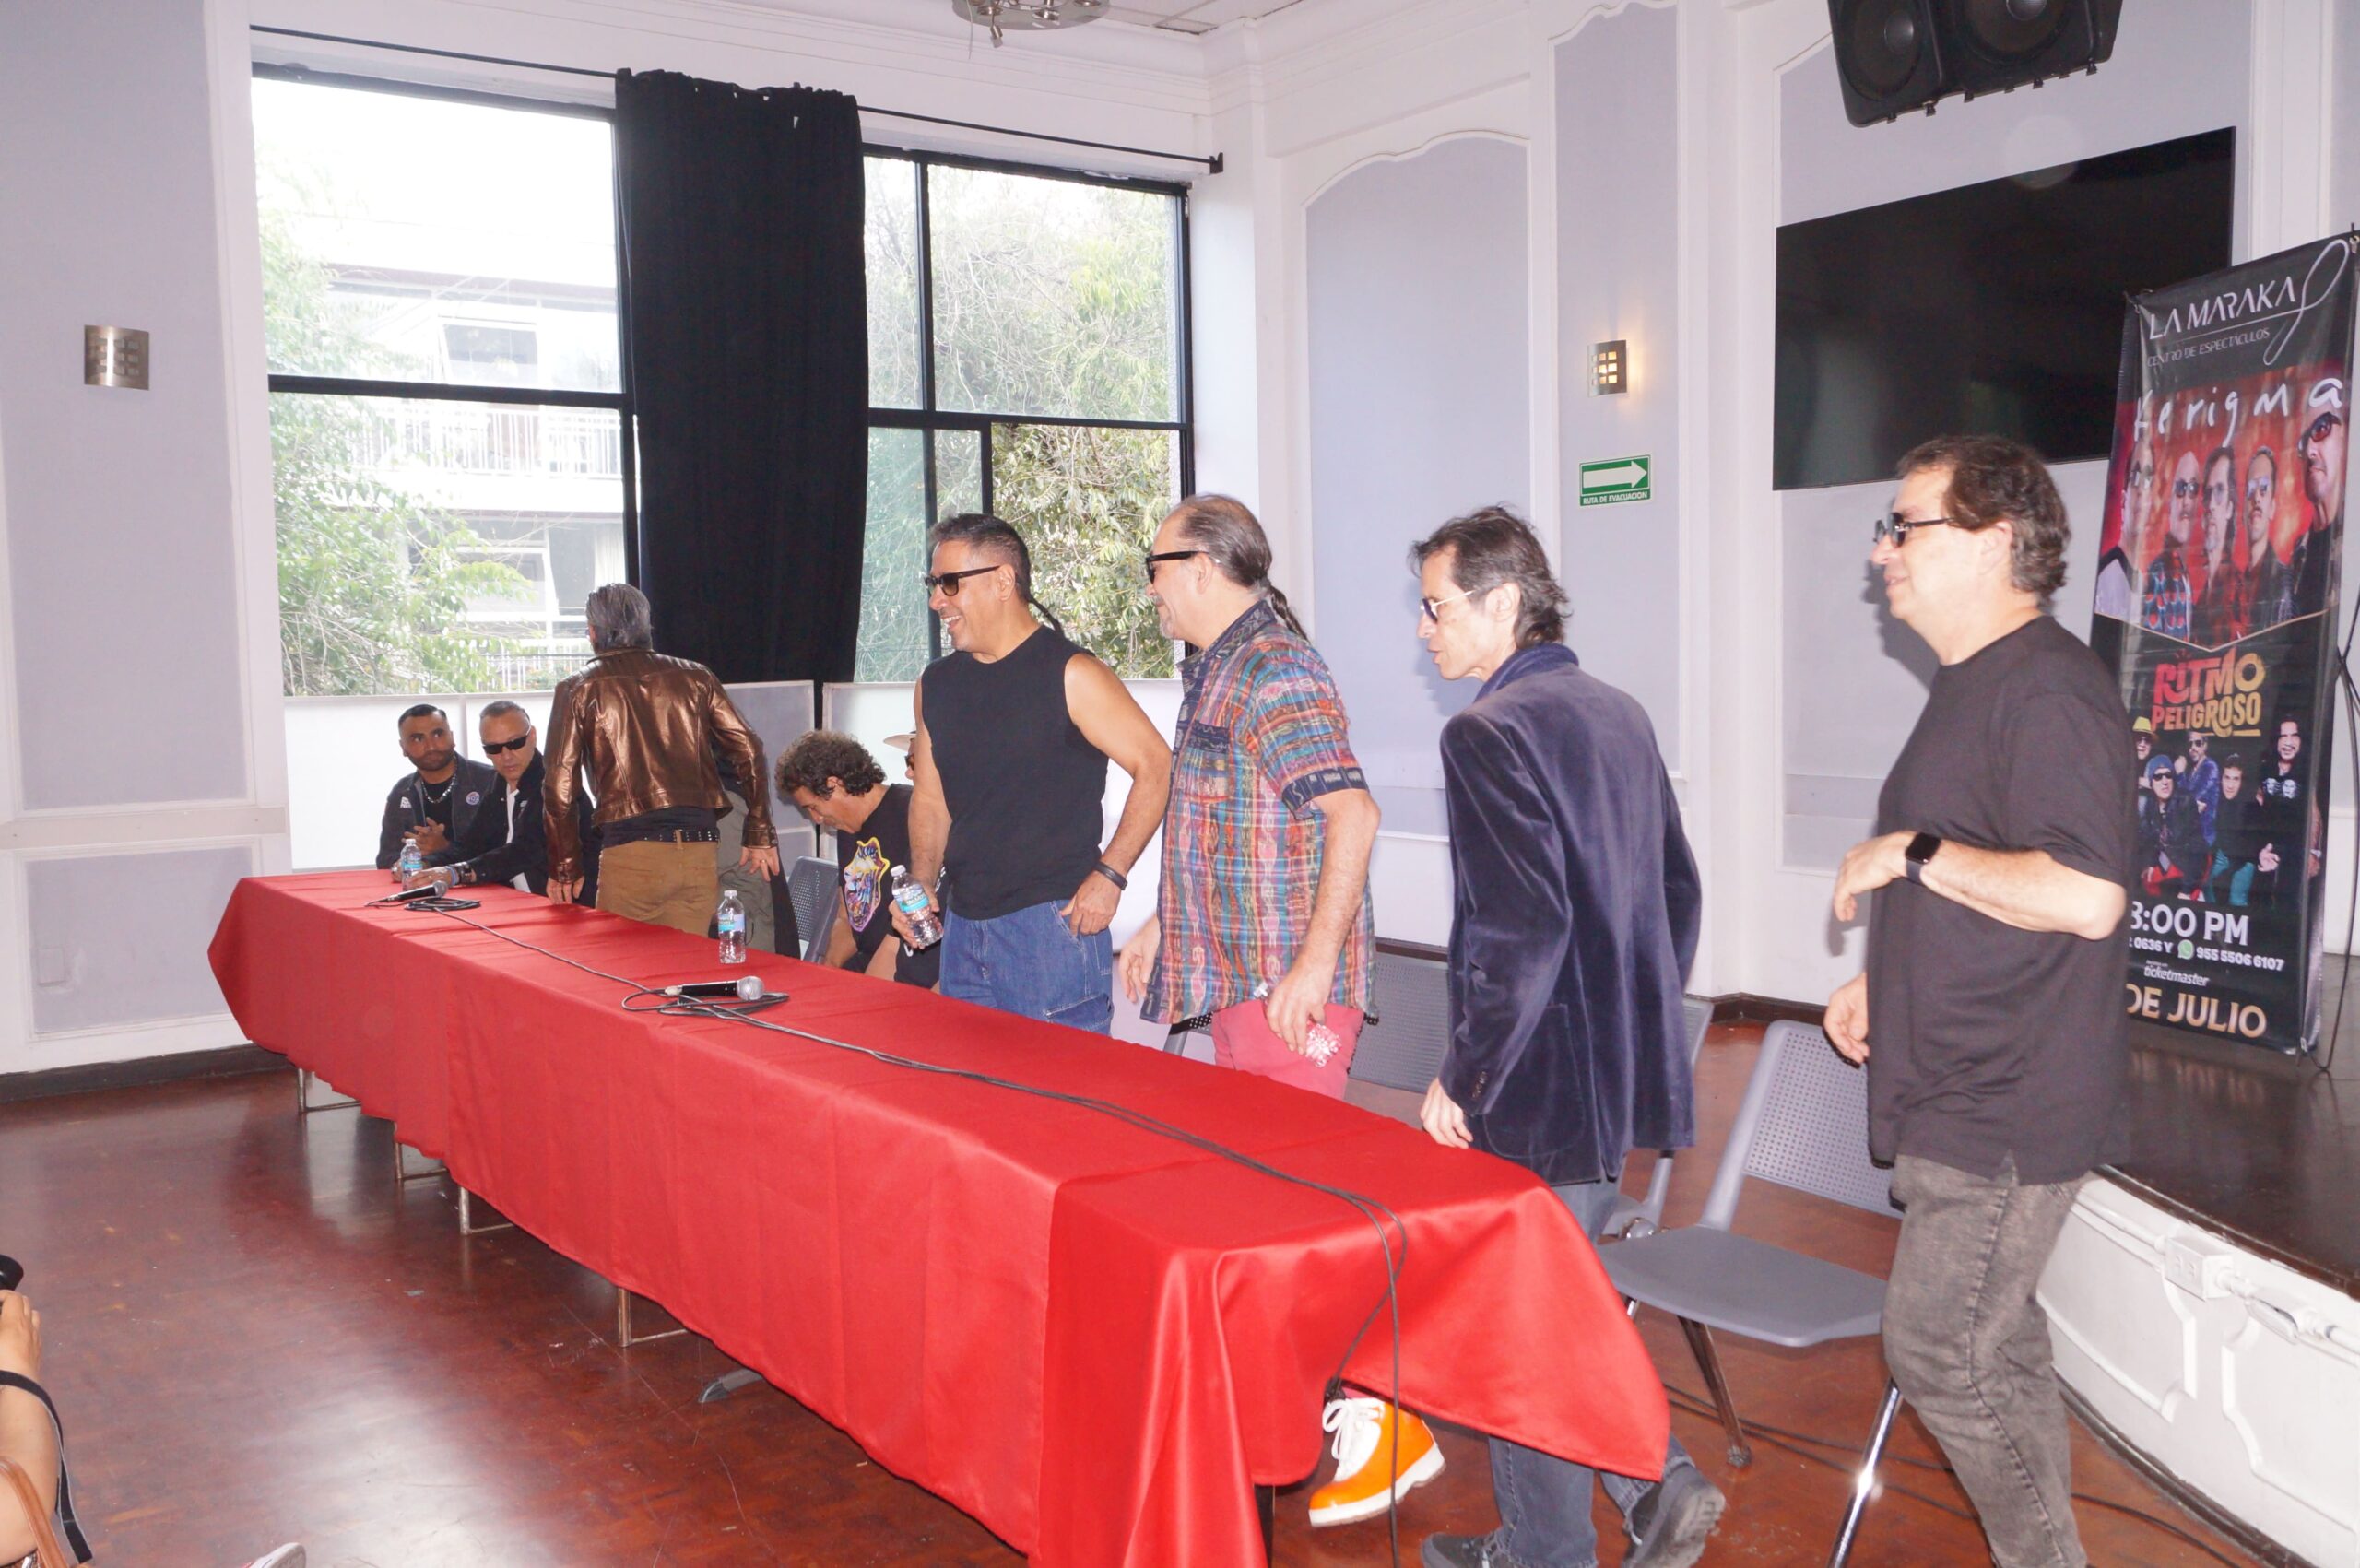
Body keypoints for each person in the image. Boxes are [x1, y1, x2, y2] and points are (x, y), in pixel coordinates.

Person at [1825, 435, 2130, 1568]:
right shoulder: (1974, 682)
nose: (1882, 551)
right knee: (1990, 1350)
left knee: (1940, 1353)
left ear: (1996, 541)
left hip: (2007, 1098)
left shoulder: (2048, 691)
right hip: (1961, 1073)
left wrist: (1907, 851)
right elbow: (1991, 870)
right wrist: (1883, 976)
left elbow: (2085, 895)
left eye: (1905, 527)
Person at [1407, 507, 1721, 1568]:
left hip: (1533, 1082)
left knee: (1523, 1319)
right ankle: (1590, 1517)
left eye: (1436, 608)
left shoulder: (1485, 732)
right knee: (1544, 1308)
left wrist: (1466, 1071)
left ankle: (1626, 1498)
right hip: (1610, 1078)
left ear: (1502, 602)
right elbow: (1678, 895)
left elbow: (1522, 929)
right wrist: (1632, 1020)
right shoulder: (1615, 710)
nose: (1423, 630)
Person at [1109, 497, 1412, 1527]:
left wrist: (1315, 966)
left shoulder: (1274, 667)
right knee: (1259, 1205)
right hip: (1238, 984)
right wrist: (1163, 919)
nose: (1149, 587)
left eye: (1155, 565)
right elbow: (1221, 822)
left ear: (1202, 565)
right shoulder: (1218, 665)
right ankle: (1290, 1398)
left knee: (1307, 1213)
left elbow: (1352, 814)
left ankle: (1384, 1413)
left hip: (1287, 997)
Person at [898, 513, 1172, 1032]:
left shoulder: (1072, 673)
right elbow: (931, 801)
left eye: (950, 583)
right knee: (971, 1081)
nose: (936, 601)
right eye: (932, 585)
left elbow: (1156, 765)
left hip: (1052, 927)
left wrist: (1110, 876)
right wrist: (921, 884)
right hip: (962, 924)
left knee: (1060, 1083)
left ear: (1004, 581)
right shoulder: (935, 684)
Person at [543, 583, 779, 937]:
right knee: (683, 968)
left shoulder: (578, 687)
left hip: (632, 853)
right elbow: (749, 747)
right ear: (646, 626)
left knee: (624, 969)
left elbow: (559, 787)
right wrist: (758, 831)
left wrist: (565, 866)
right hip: (699, 850)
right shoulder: (696, 676)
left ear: (592, 632)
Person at [777, 730, 940, 989]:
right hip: (865, 967)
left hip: (904, 974)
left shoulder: (911, 814)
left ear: (834, 784)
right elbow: (848, 918)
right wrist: (824, 973)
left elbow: (900, 938)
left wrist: (863, 991)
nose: (816, 819)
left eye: (813, 807)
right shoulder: (847, 828)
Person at [427, 701, 596, 900]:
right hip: (516, 901)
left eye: (515, 743)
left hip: (567, 904)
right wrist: (427, 864)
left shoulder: (555, 784)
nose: (506, 756)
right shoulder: (498, 785)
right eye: (494, 748)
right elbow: (472, 844)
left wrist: (456, 873)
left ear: (532, 736)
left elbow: (525, 851)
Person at [373, 704, 500, 875]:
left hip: (487, 887)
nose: (431, 746)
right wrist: (409, 861)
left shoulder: (490, 781)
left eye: (438, 734)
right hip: (420, 888)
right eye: (418, 739)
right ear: (403, 747)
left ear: (452, 737)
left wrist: (445, 849)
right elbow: (385, 859)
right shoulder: (402, 792)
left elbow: (507, 852)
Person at [2094, 434, 2154, 622]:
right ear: (2123, 500)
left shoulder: (2144, 580)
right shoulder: (2107, 575)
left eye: (2147, 479)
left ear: (2151, 503)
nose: (2140, 490)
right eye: (2135, 477)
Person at [2189, 446, 2246, 646]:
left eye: (2220, 491)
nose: (2212, 504)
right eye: (2208, 493)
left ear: (2230, 508)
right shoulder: (2200, 599)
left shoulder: (2239, 592)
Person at [2141, 450, 2197, 640]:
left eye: (2193, 489)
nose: (2186, 500)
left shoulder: (2185, 575)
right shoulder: (2160, 573)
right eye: (2180, 488)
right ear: (2169, 503)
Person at [2138, 758, 2208, 901]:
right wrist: (2151, 863)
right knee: (2148, 884)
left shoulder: (2185, 801)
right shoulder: (2151, 804)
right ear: (2151, 783)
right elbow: (2154, 839)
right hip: (2169, 860)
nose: (2164, 781)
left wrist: (2186, 890)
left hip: (2189, 866)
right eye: (2158, 777)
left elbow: (2197, 849)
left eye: (2168, 775)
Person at [2240, 447, 2290, 632]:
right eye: (2251, 489)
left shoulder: (2283, 583)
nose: (2256, 498)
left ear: (2272, 508)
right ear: (2242, 510)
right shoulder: (2235, 588)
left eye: (2263, 489)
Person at [2207, 754, 2264, 906]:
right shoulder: (2218, 799)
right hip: (2224, 854)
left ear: (2241, 781)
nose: (2230, 785)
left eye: (2235, 779)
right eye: (2227, 778)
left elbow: (2252, 848)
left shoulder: (2251, 805)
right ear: (2221, 778)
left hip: (2245, 859)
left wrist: (2228, 871)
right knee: (2209, 890)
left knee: (2236, 899)